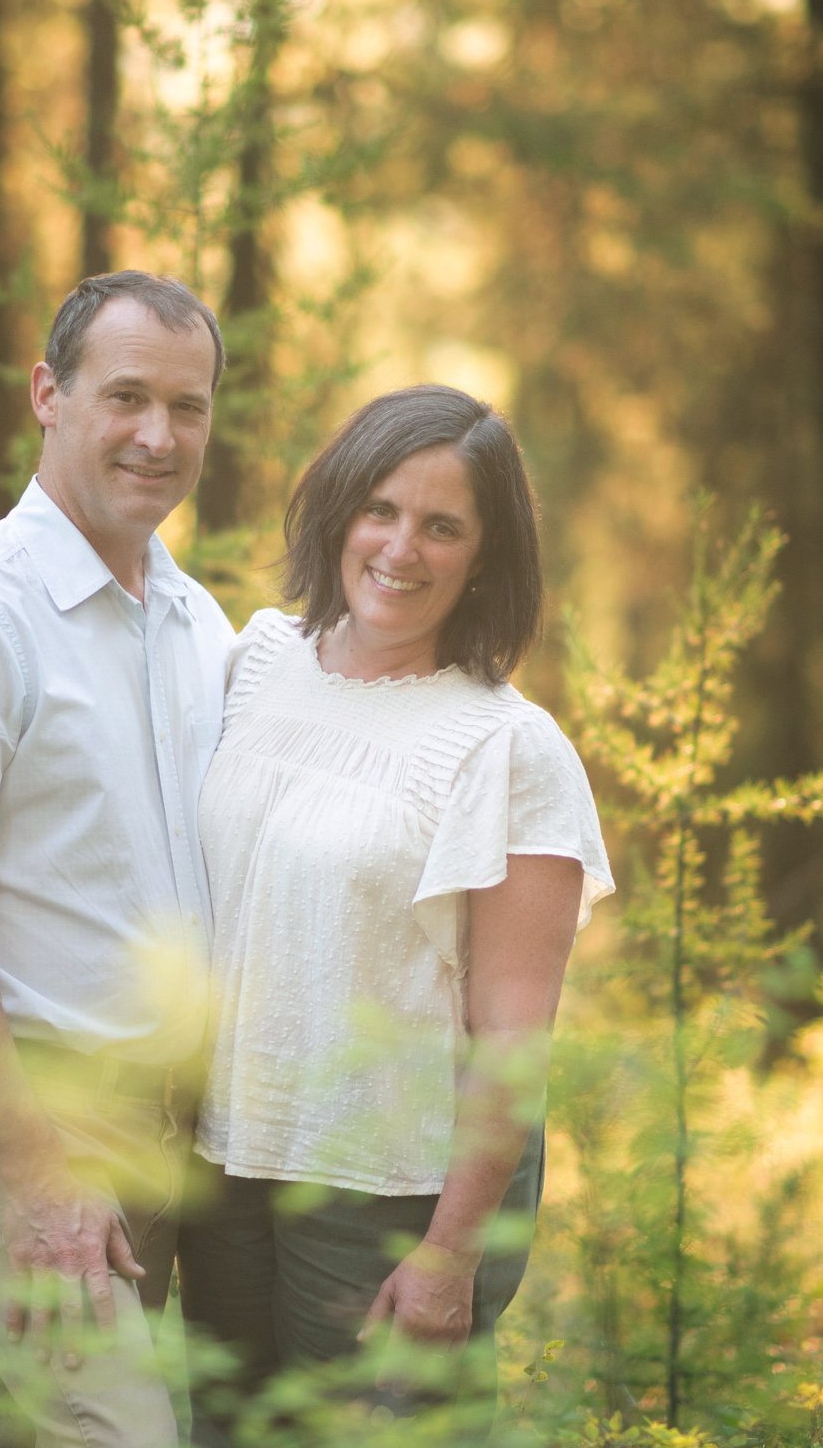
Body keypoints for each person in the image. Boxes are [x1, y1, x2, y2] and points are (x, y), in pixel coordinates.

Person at [178, 384, 612, 1441]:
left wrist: (451, 1250)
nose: (399, 546)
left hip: (383, 1196)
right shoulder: (258, 662)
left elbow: (512, 1040)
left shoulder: (505, 749)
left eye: (441, 525)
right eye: (379, 507)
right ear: (336, 511)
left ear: (483, 555)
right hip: (223, 1163)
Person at [0, 271, 233, 1447]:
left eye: (188, 406)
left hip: (165, 1126)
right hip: (23, 1115)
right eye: (124, 396)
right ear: (47, 395)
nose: (156, 435)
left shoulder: (195, 623)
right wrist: (34, 1169)